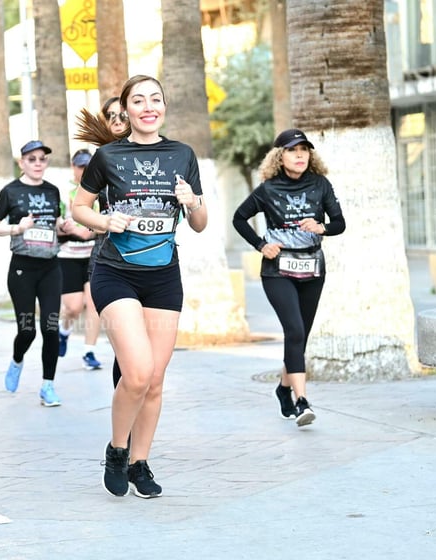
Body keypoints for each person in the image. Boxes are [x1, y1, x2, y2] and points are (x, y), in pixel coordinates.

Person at [71, 75, 208, 499]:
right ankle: (117, 449)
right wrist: (103, 221)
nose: (149, 107)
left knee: (156, 380)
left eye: (156, 99)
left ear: (164, 107)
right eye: (139, 101)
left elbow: (200, 225)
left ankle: (140, 462)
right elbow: (79, 207)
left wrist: (192, 203)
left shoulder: (183, 155)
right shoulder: (109, 156)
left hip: (164, 276)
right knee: (136, 373)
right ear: (126, 111)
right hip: (116, 273)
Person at [232, 128, 346, 427]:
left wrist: (321, 228)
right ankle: (301, 401)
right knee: (294, 331)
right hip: (278, 271)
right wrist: (261, 245)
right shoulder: (268, 189)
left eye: (305, 150)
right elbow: (239, 218)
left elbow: (339, 224)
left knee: (300, 337)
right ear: (280, 157)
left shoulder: (320, 185)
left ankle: (283, 389)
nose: (300, 155)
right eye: (293, 151)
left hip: (312, 269)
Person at [0, 140, 65, 407]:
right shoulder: (11, 191)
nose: (38, 164)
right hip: (22, 268)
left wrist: (63, 226)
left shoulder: (53, 191)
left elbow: (54, 223)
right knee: (28, 330)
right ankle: (17, 360)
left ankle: (48, 386)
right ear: (21, 162)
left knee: (51, 327)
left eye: (42, 159)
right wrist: (16, 229)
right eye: (32, 159)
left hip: (51, 268)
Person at [57, 148, 102, 370]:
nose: (84, 171)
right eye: (80, 166)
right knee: (74, 308)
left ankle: (89, 351)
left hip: (94, 254)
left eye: (88, 166)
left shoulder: (101, 191)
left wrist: (91, 230)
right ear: (73, 167)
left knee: (94, 304)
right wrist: (65, 228)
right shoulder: (63, 191)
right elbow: (54, 222)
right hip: (68, 256)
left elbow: (104, 225)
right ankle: (63, 331)